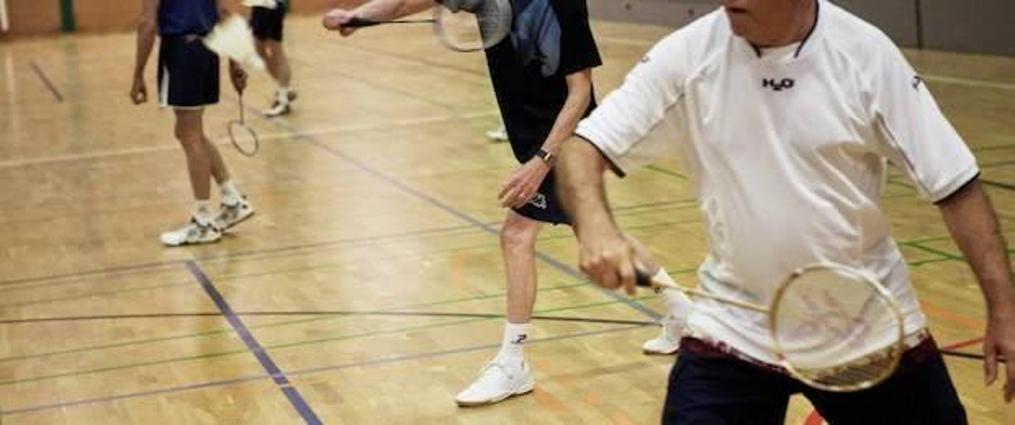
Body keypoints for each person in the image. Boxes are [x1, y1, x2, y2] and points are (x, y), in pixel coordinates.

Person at [556, 0, 1015, 423]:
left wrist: (1005, 309)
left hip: (866, 329)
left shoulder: (865, 54)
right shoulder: (689, 54)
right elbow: (582, 148)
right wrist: (596, 227)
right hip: (734, 330)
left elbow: (955, 185)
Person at [323, 0, 692, 406]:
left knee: (516, 235)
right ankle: (682, 311)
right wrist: (357, 17)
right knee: (594, 231)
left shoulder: (560, 5)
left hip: (567, 141)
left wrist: (542, 160)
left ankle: (513, 362)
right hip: (532, 137)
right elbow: (411, 1)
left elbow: (580, 92)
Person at [131, 0, 255, 246]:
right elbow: (224, 12)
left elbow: (147, 23)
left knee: (190, 134)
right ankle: (232, 200)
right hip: (208, 50)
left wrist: (138, 75)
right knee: (187, 131)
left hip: (181, 52)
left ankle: (203, 221)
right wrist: (234, 62)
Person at [246, 0, 297, 117]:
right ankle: (286, 89)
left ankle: (283, 102)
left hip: (272, 5)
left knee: (276, 51)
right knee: (259, 49)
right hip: (258, 5)